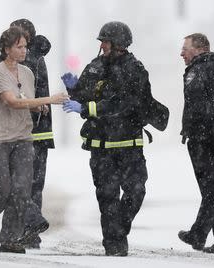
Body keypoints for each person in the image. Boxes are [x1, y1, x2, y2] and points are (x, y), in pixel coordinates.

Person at [0, 26, 68, 254]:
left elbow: (25, 100)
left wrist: (40, 106)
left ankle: (11, 239)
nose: (24, 51)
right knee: (2, 191)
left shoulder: (28, 73)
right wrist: (50, 99)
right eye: (19, 46)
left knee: (22, 190)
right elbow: (11, 101)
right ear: (6, 48)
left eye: (25, 46)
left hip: (23, 138)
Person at [62, 21, 153, 256]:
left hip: (129, 145)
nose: (102, 46)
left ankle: (117, 229)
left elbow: (125, 103)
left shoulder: (135, 69)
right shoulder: (94, 67)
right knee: (107, 197)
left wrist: (88, 108)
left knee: (136, 192)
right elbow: (85, 96)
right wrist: (74, 89)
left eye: (105, 41)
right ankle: (115, 246)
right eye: (101, 41)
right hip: (100, 146)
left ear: (119, 44)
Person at [177, 33, 214, 253]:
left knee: (211, 189)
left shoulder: (196, 72)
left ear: (200, 49)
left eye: (185, 48)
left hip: (205, 139)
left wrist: (193, 131)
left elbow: (196, 105)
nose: (182, 53)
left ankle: (201, 233)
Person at [10, 19, 53, 249]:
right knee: (34, 185)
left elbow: (18, 97)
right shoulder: (38, 57)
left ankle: (29, 226)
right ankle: (30, 232)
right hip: (41, 132)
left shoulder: (26, 60)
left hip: (26, 131)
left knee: (19, 184)